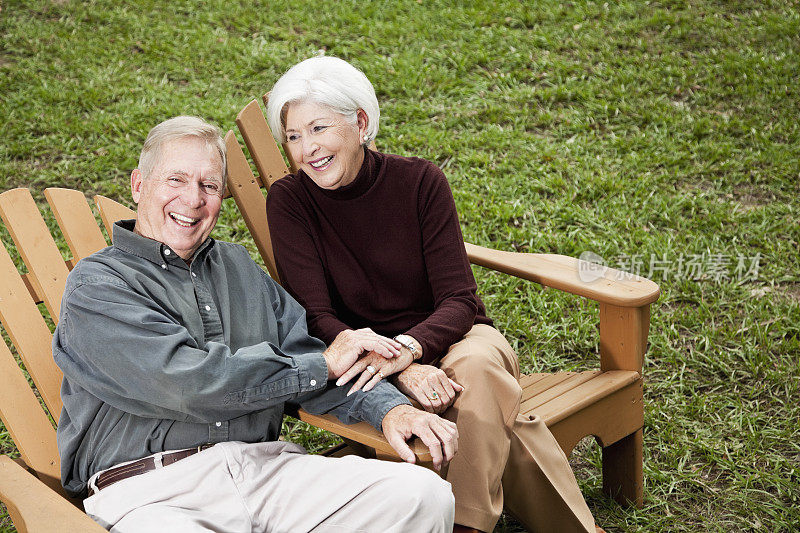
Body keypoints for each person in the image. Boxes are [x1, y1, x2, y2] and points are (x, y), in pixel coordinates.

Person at [54, 115, 458, 532]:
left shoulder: (238, 267)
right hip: (152, 492)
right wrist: (320, 366)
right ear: (139, 185)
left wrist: (388, 410)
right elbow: (187, 382)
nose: (192, 200)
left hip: (264, 470)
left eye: (209, 186)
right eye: (175, 180)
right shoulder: (98, 285)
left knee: (421, 498)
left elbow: (307, 355)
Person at [265, 56, 600, 533]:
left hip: (456, 338)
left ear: (360, 122)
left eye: (319, 128)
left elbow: (460, 300)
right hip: (362, 356)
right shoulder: (290, 202)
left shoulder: (420, 183)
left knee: (480, 368)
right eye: (294, 137)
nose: (307, 149)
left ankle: (463, 525)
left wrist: (408, 351)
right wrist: (400, 369)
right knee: (504, 417)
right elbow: (317, 317)